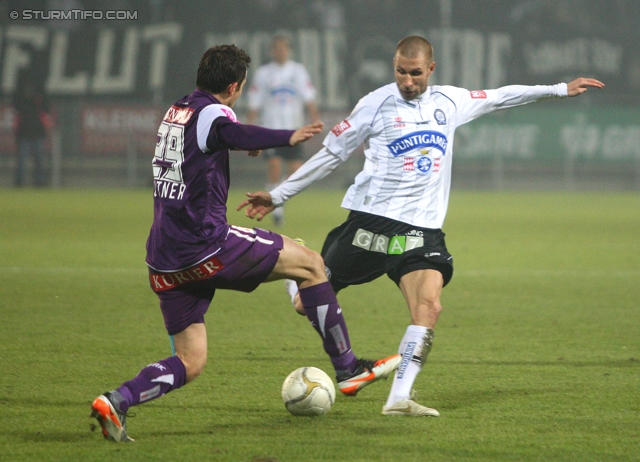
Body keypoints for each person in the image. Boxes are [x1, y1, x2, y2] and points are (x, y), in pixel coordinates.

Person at [238, 36, 604, 417]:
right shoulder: (375, 105)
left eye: (415, 73)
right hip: (371, 225)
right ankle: (294, 273)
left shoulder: (450, 101)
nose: (408, 81)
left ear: (430, 69)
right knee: (304, 303)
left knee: (429, 306)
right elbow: (332, 154)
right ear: (393, 67)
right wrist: (278, 195)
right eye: (401, 72)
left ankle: (398, 398)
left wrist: (560, 89)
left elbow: (500, 96)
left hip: (421, 231)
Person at [90, 45, 400, 442]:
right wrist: (287, 137)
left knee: (191, 359)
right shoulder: (214, 113)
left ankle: (116, 401)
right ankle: (348, 368)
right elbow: (227, 129)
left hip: (164, 259)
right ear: (235, 87)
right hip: (206, 245)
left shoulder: (178, 110)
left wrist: (235, 142)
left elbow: (214, 140)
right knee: (310, 264)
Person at [246, 34, 320, 226]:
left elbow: (308, 96)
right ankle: (276, 211)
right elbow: (255, 102)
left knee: (296, 171)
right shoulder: (263, 73)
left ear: (289, 50)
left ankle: (278, 200)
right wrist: (248, 130)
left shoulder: (298, 71)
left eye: (283, 48)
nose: (280, 51)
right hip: (271, 130)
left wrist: (315, 118)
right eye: (276, 48)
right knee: (275, 167)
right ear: (272, 51)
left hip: (293, 129)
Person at [13, 82, 52, 187]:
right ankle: (20, 183)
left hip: (36, 135)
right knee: (22, 161)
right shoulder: (22, 105)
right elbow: (17, 121)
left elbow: (45, 120)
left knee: (38, 160)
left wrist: (48, 136)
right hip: (24, 135)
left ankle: (38, 182)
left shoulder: (38, 104)